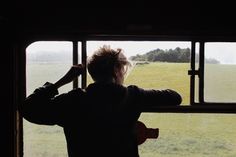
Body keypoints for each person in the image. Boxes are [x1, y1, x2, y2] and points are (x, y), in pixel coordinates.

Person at [21, 45, 182, 157]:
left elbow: (28, 109)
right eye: (123, 69)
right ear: (115, 70)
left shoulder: (73, 100)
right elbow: (175, 97)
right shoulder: (133, 95)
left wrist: (61, 82)